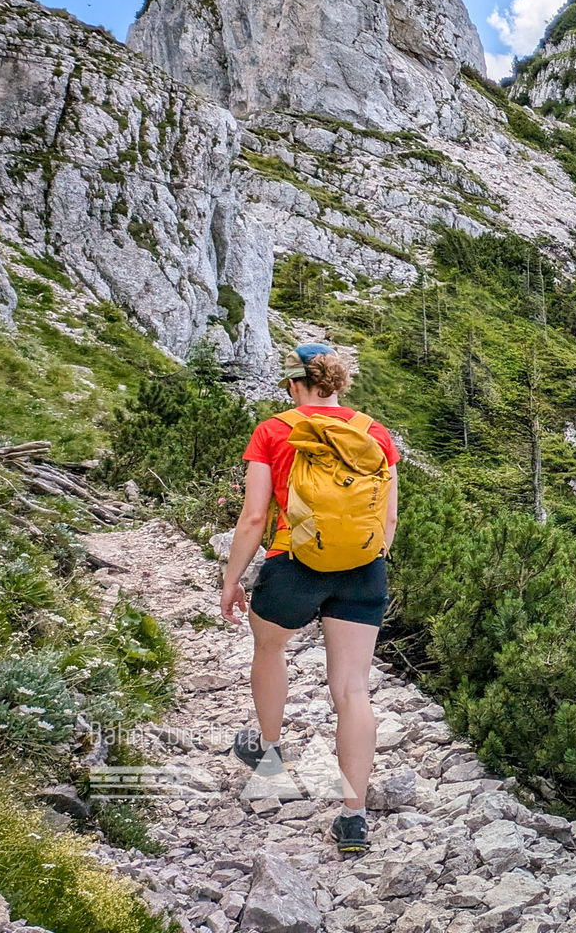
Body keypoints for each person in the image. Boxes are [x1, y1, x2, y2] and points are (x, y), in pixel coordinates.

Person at [220, 344, 401, 854]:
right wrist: (364, 559)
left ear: (296, 385)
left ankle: (270, 752)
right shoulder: (374, 432)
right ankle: (354, 816)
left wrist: (232, 578)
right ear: (338, 384)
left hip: (293, 565)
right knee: (352, 690)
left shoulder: (275, 429)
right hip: (362, 571)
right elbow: (387, 519)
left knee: (270, 649)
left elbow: (255, 517)